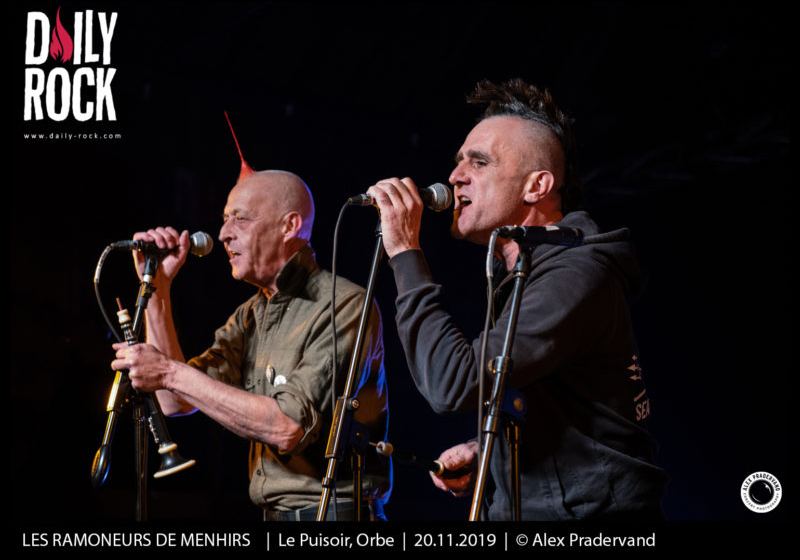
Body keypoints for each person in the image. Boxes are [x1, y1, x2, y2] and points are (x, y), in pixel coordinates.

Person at [366, 78, 667, 521]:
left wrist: (406, 254)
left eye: (479, 162)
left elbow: (453, 384)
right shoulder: (524, 272)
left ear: (536, 186)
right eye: (458, 162)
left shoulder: (575, 273)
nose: (455, 176)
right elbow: (559, 404)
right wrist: (491, 455)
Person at [111, 169, 391, 521]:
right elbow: (173, 399)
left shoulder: (343, 304)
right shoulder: (250, 315)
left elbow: (288, 427)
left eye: (239, 218)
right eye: (224, 219)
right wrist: (159, 289)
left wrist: (168, 371)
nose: (223, 233)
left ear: (289, 226)